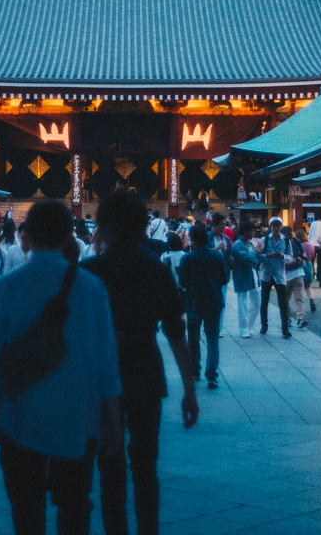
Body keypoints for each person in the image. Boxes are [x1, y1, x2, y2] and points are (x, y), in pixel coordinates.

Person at [0, 200, 122, 535]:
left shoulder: (4, 288)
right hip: (77, 411)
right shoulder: (91, 287)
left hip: (20, 411)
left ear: (26, 234)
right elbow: (106, 359)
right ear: (68, 236)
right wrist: (112, 416)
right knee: (74, 504)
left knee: (26, 508)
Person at [83, 191, 199, 535]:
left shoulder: (88, 273)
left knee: (109, 468)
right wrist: (189, 391)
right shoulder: (156, 269)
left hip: (103, 379)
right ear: (143, 226)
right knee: (146, 466)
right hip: (146, 373)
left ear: (102, 226)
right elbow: (176, 334)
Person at [176, 224, 227, 388]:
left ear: (193, 241)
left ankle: (195, 371)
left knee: (193, 337)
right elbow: (224, 279)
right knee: (212, 338)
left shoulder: (187, 258)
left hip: (194, 302)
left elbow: (182, 282)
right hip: (214, 301)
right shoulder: (217, 256)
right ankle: (211, 374)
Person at [258, 217, 294, 338]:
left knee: (283, 302)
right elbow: (258, 255)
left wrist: (283, 256)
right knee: (264, 302)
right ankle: (264, 326)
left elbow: (290, 257)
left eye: (278, 225)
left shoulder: (286, 241)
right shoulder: (264, 239)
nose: (276, 227)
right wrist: (268, 256)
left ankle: (284, 329)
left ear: (281, 227)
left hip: (279, 274)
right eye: (273, 225)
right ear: (270, 227)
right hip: (266, 274)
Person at [229, 221, 262, 338]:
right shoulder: (237, 245)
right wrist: (254, 258)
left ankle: (249, 326)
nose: (253, 233)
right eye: (251, 231)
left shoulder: (250, 244)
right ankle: (243, 328)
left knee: (257, 302)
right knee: (242, 303)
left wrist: (255, 258)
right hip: (241, 275)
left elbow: (253, 258)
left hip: (252, 274)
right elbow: (245, 258)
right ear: (245, 231)